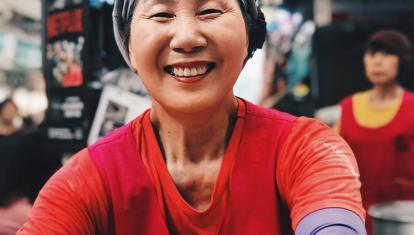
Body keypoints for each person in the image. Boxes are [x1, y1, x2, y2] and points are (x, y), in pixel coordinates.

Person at [19, 0, 366, 234]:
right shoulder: (88, 180)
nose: (186, 38)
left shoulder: (305, 149)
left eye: (211, 10)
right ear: (128, 48)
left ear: (250, 36)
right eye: (160, 14)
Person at [336, 30, 414, 234]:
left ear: (402, 61)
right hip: (355, 218)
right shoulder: (346, 108)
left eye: (387, 54)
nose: (377, 61)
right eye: (372, 54)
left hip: (404, 221)